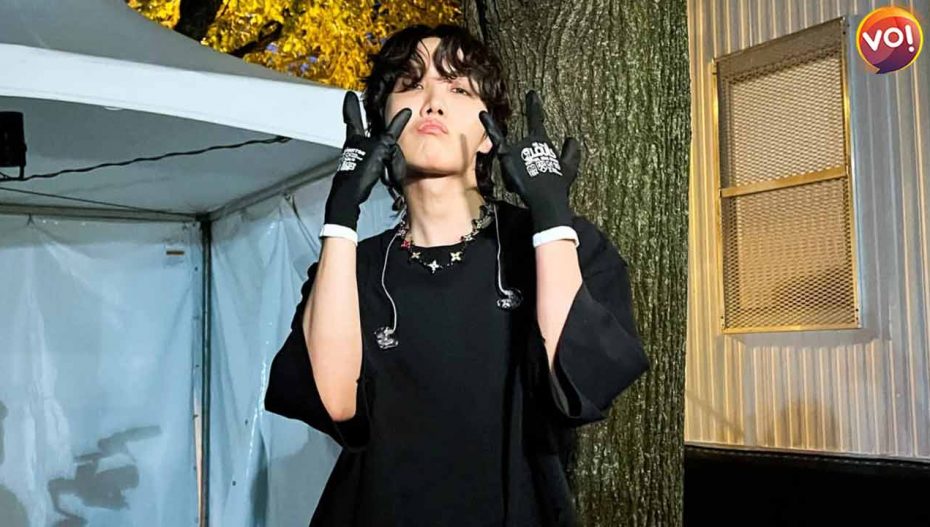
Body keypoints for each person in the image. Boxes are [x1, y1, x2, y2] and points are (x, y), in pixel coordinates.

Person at [264, 23, 649, 527]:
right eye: (411, 83)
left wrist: (551, 215)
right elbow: (335, 402)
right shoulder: (351, 265)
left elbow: (577, 380)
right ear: (383, 129)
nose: (432, 102)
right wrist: (340, 217)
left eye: (458, 88)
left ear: (489, 134)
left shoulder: (555, 244)